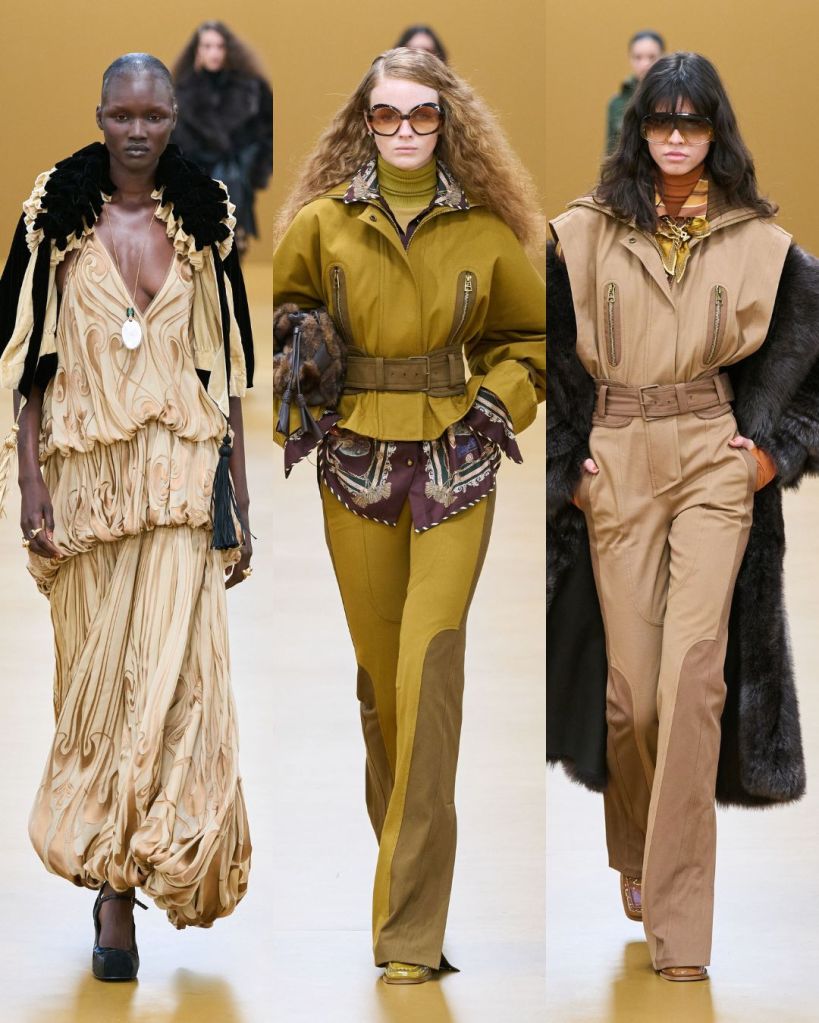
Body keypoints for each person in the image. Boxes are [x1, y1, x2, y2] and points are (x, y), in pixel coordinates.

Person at [273, 47, 544, 984]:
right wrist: (299, 349)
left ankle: (406, 933)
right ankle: (407, 875)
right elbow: (289, 308)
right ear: (364, 122)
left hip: (455, 463)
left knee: (428, 675)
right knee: (383, 690)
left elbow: (528, 338)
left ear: (445, 122)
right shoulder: (321, 223)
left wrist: (495, 405)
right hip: (352, 464)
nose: (403, 131)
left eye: (421, 115)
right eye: (385, 115)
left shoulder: (488, 232)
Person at [547, 51, 819, 982]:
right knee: (632, 697)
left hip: (710, 455)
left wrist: (773, 453)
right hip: (617, 455)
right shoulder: (584, 231)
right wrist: (568, 469)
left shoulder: (760, 241)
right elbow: (545, 348)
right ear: (639, 129)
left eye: (690, 121)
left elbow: (811, 355)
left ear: (713, 131)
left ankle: (680, 930)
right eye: (660, 121)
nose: (674, 136)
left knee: (694, 683)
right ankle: (636, 848)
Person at [0, 53, 255, 982]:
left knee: (180, 683)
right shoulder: (53, 219)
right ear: (100, 115)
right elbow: (24, 359)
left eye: (153, 114)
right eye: (122, 114)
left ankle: (159, 861)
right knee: (98, 687)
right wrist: (29, 479)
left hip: (180, 477)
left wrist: (239, 495)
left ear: (174, 116)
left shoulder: (205, 219)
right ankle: (111, 883)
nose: (137, 130)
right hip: (87, 486)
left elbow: (224, 366)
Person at [172, 21, 273, 257]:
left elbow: (265, 133)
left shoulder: (252, 90)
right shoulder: (180, 92)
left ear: (229, 50)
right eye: (207, 46)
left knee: (232, 246)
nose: (214, 52)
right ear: (197, 50)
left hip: (237, 177)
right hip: (195, 178)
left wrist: (255, 169)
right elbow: (173, 139)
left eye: (219, 46)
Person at [605, 30, 664, 155]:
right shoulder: (617, 103)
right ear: (630, 59)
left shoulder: (673, 98)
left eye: (652, 57)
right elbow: (611, 152)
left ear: (663, 58)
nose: (645, 64)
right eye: (638, 57)